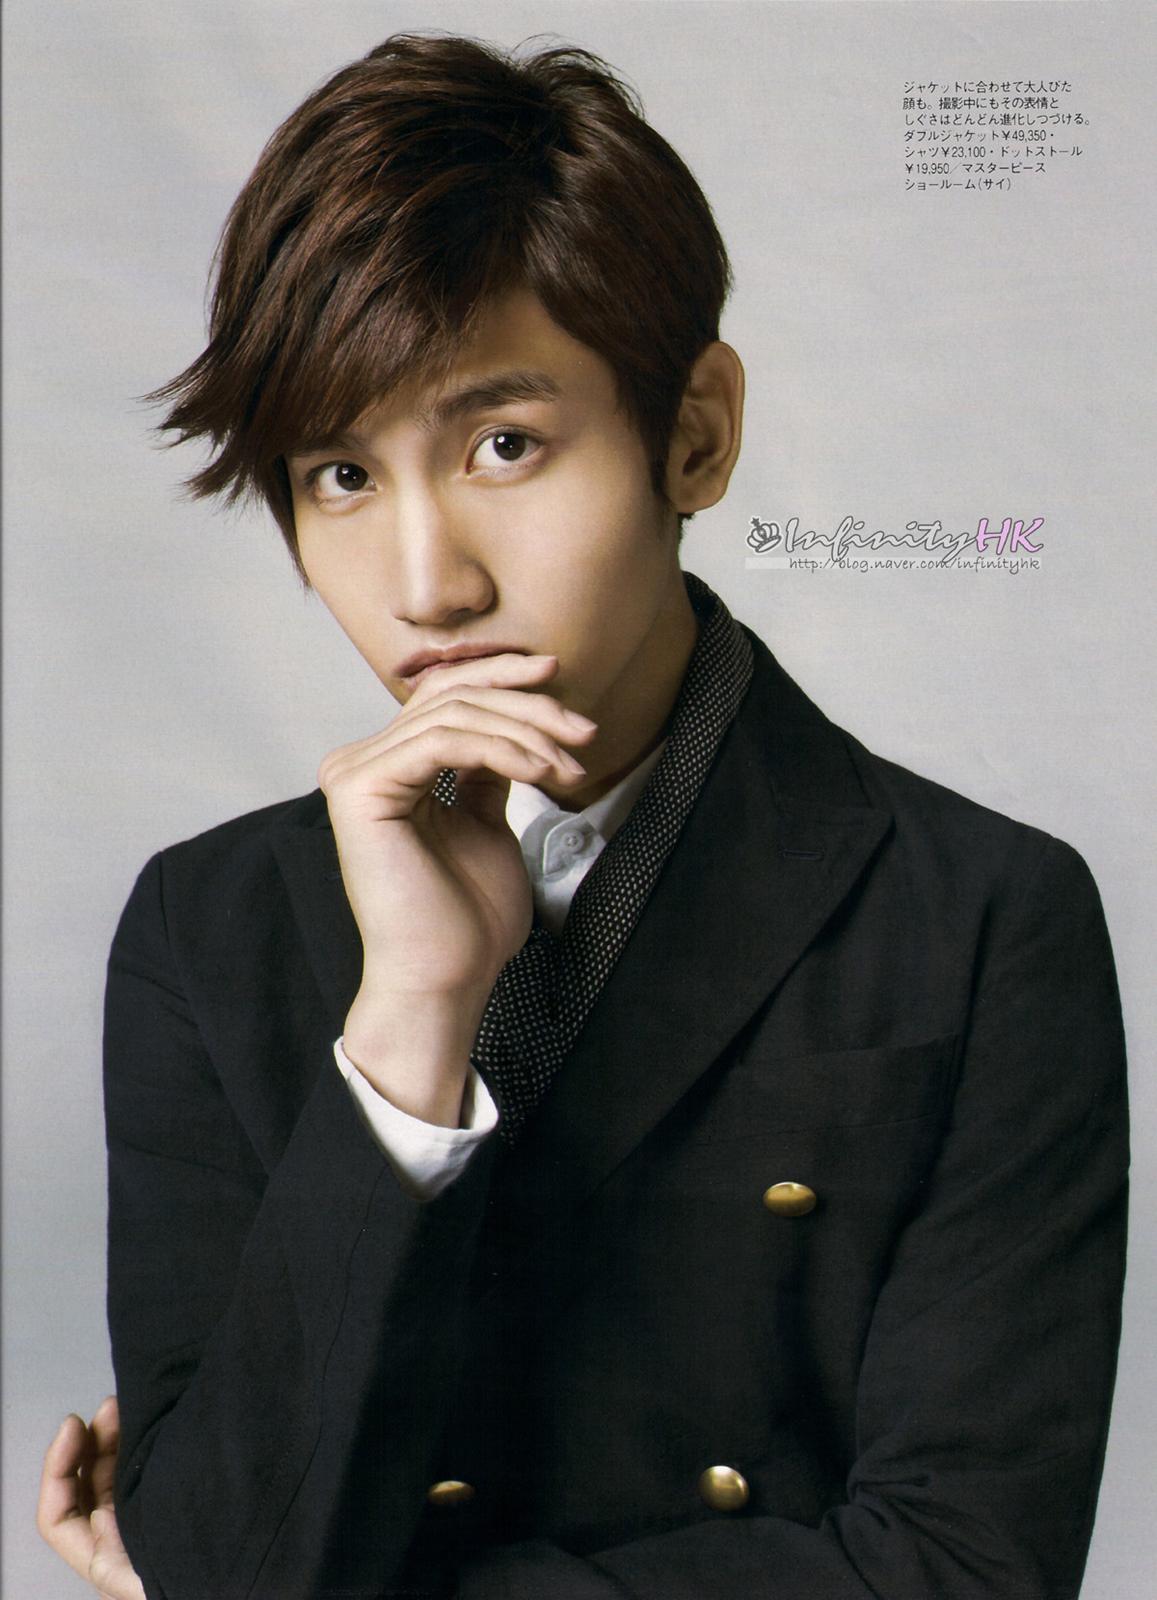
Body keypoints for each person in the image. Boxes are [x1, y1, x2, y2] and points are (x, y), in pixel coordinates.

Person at [37, 31, 1128, 1600]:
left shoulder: (975, 916)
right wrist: (411, 1020)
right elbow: (222, 1555)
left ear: (694, 433)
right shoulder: (205, 925)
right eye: (339, 476)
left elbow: (966, 1565)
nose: (427, 583)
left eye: (504, 446)